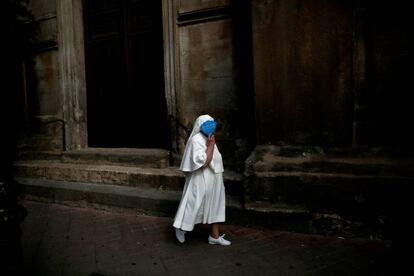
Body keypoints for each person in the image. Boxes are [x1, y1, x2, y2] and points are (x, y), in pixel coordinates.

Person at [172, 114, 231, 246]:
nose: (211, 125)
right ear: (200, 126)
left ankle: (214, 236)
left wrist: (211, 144)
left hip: (215, 177)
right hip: (200, 178)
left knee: (216, 205)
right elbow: (203, 162)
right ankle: (181, 228)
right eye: (207, 123)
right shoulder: (196, 140)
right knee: (193, 204)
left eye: (212, 122)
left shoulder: (209, 137)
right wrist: (210, 146)